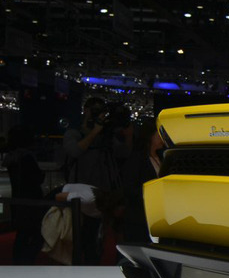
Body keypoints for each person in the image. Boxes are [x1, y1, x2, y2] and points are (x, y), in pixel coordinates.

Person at [62, 96, 132, 264]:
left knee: (100, 239)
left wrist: (128, 136)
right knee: (81, 238)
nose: (98, 114)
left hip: (104, 193)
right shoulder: (75, 133)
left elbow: (124, 153)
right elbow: (74, 151)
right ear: (85, 110)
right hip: (81, 194)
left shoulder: (105, 136)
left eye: (101, 111)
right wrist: (94, 132)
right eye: (94, 110)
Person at [3, 125, 46, 264]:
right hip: (32, 200)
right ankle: (25, 260)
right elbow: (37, 178)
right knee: (36, 233)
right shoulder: (27, 157)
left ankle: (20, 261)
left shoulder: (12, 158)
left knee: (23, 234)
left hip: (18, 199)